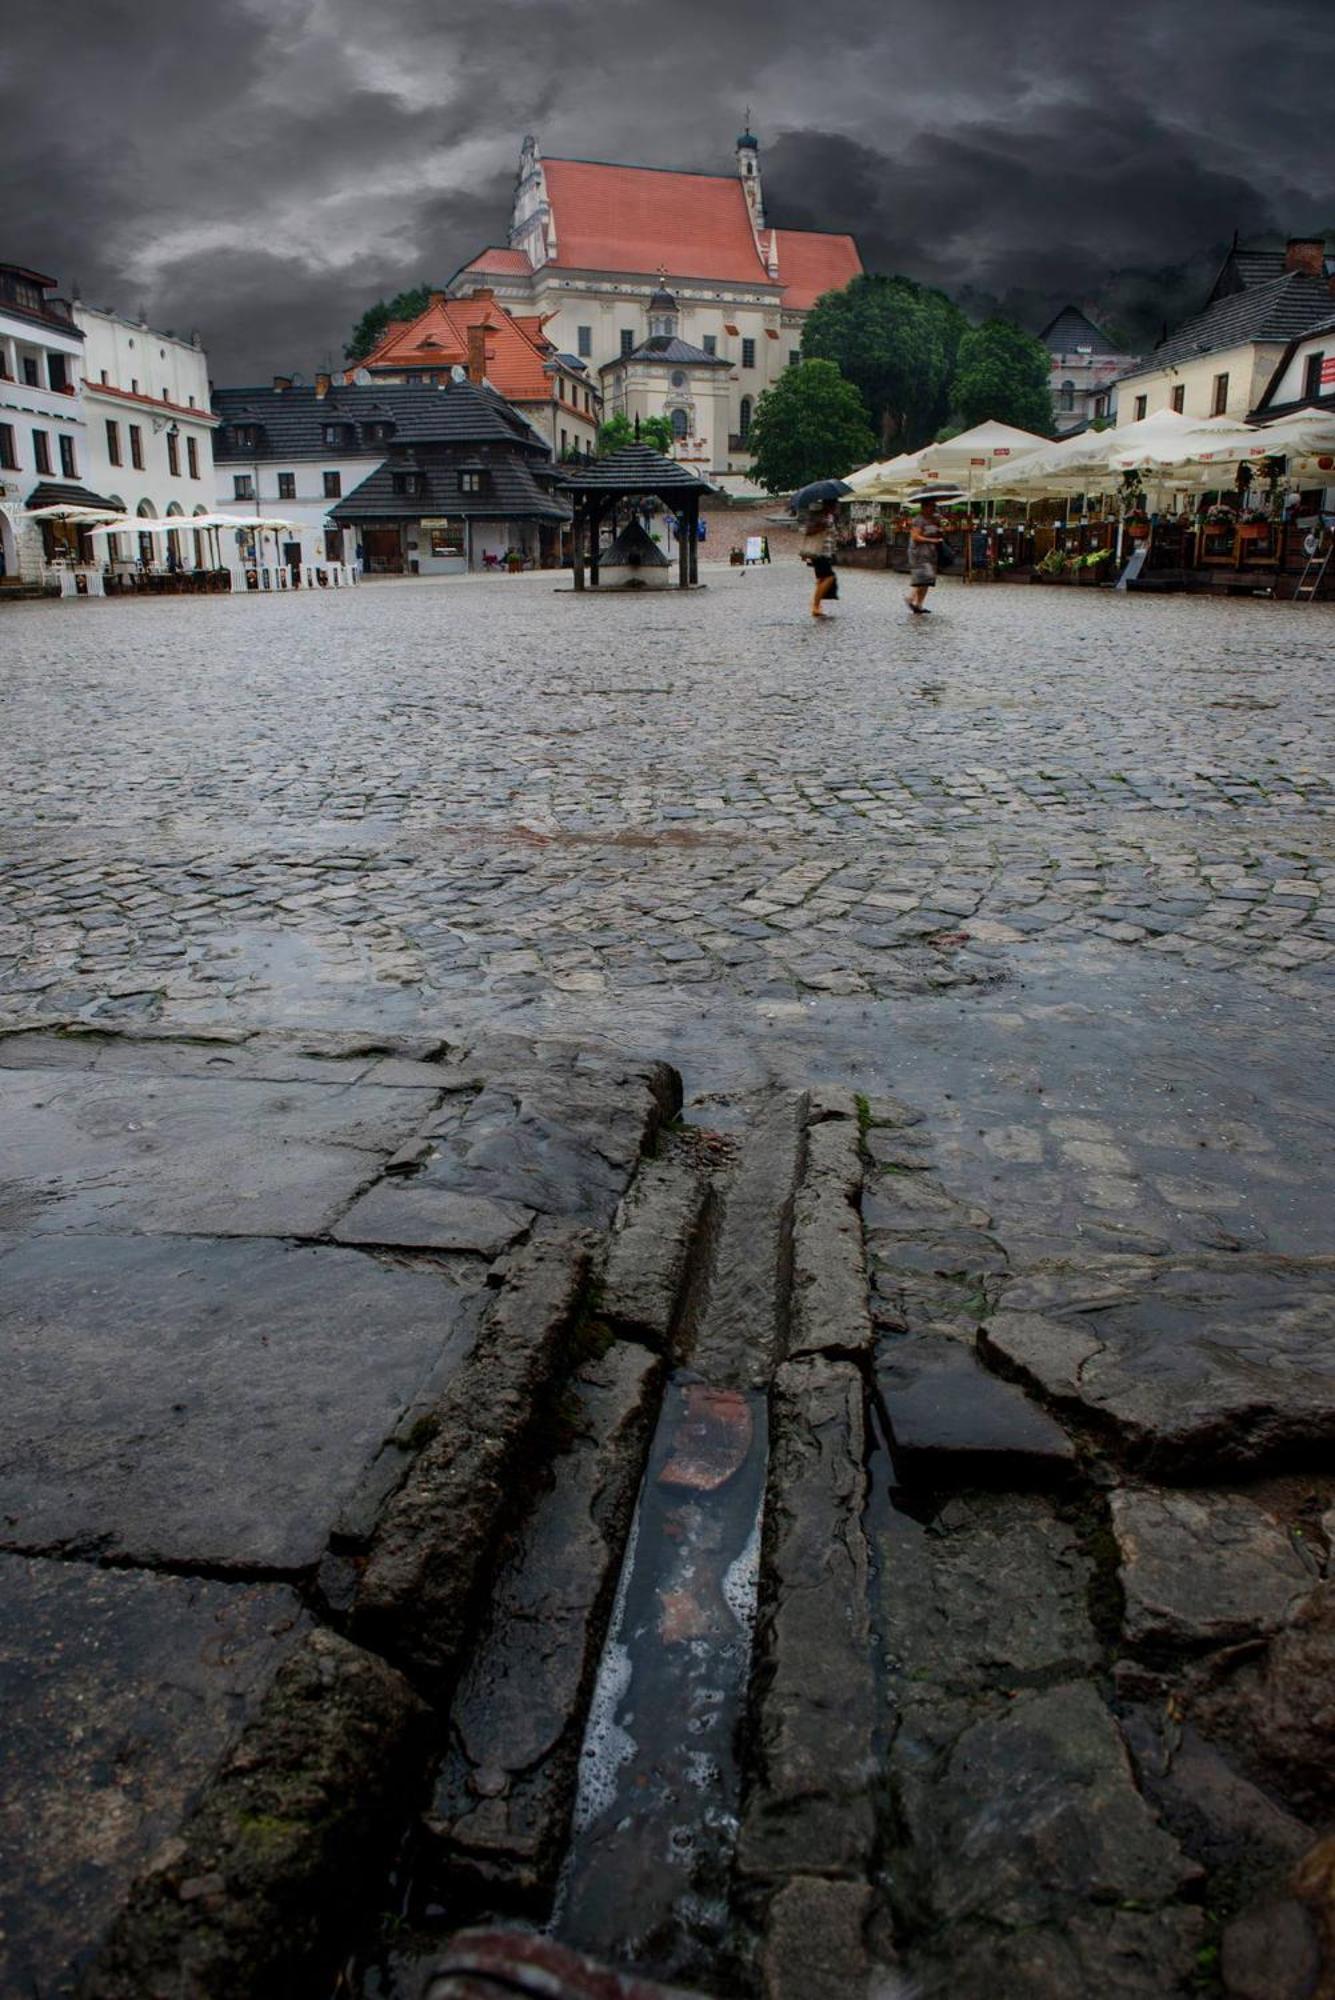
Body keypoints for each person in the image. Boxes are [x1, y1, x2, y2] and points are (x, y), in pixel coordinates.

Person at [801, 502, 839, 617]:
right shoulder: (818, 516)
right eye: (834, 505)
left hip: (827, 552)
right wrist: (821, 527)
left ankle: (817, 606)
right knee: (829, 577)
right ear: (828, 505)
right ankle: (815, 605)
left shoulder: (830, 517)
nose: (836, 508)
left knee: (822, 579)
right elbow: (808, 531)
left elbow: (831, 533)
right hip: (819, 552)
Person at [906, 498, 942, 614]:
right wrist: (932, 540)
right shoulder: (918, 520)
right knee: (924, 576)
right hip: (918, 553)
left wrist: (941, 528)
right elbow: (915, 537)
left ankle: (919, 604)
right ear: (924, 507)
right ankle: (910, 597)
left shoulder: (934, 519)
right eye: (931, 506)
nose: (933, 509)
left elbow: (938, 532)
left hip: (930, 552)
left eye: (934, 506)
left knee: (928, 579)